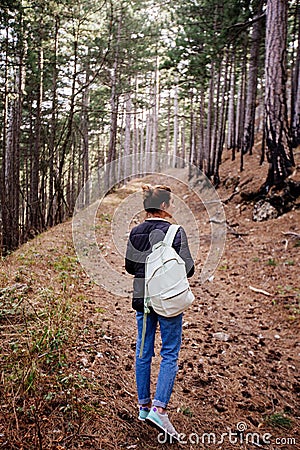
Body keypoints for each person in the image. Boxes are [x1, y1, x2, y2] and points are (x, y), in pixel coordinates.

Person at [125, 184, 195, 440]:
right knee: (169, 352)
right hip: (167, 300)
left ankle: (143, 407)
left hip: (144, 300)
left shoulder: (135, 232)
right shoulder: (176, 232)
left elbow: (130, 267)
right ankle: (159, 408)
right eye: (172, 204)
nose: (173, 208)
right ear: (164, 206)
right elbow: (189, 269)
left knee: (143, 351)